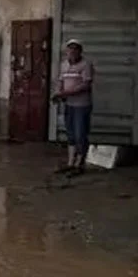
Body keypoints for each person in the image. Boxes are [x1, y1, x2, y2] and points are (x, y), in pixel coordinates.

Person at [53, 38, 94, 175]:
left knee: (80, 134)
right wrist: (58, 92)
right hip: (69, 104)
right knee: (70, 134)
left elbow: (86, 85)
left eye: (75, 49)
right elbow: (60, 80)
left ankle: (79, 164)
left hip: (82, 105)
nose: (72, 52)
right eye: (70, 49)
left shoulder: (86, 65)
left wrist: (67, 92)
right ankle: (70, 162)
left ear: (80, 51)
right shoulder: (64, 65)